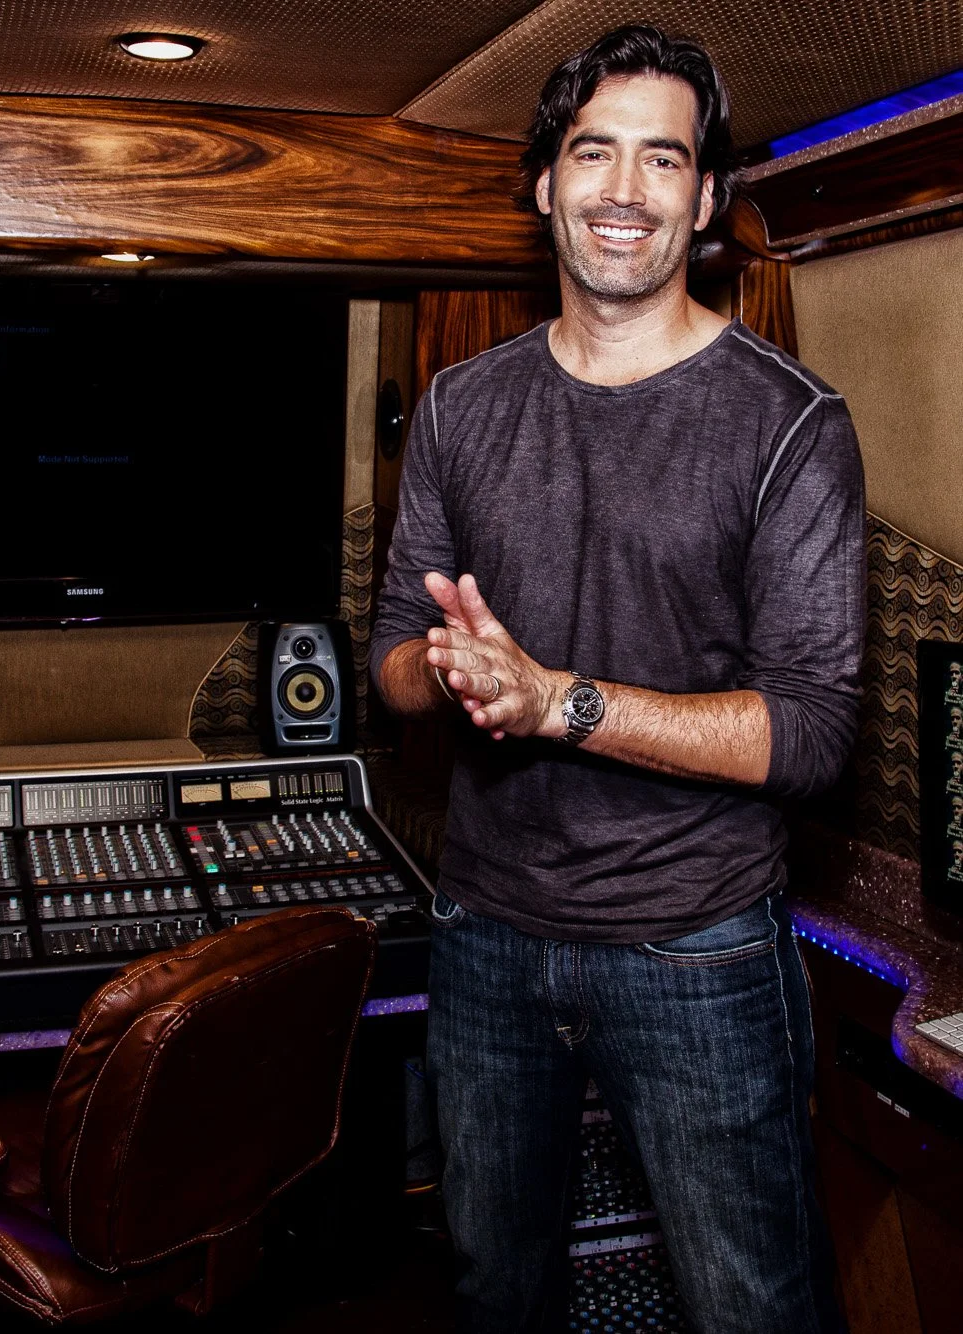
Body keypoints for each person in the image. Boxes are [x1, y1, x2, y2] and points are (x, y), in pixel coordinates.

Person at [371, 24, 863, 1334]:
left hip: (699, 946)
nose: (626, 189)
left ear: (704, 202)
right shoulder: (460, 406)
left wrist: (557, 702)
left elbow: (813, 733)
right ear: (545, 182)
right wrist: (452, 669)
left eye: (665, 159)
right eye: (595, 152)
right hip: (485, 932)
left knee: (752, 1305)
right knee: (495, 1290)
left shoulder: (791, 423)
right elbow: (391, 658)